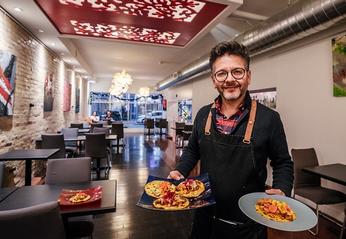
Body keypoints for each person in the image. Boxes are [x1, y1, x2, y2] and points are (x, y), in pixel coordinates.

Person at [168, 41, 293, 239]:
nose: (229, 79)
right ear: (213, 80)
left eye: (237, 72)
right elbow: (193, 151)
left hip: (248, 224)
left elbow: (283, 162)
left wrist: (282, 190)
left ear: (248, 76)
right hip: (205, 216)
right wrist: (179, 170)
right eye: (221, 73)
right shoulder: (202, 115)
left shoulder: (269, 119)